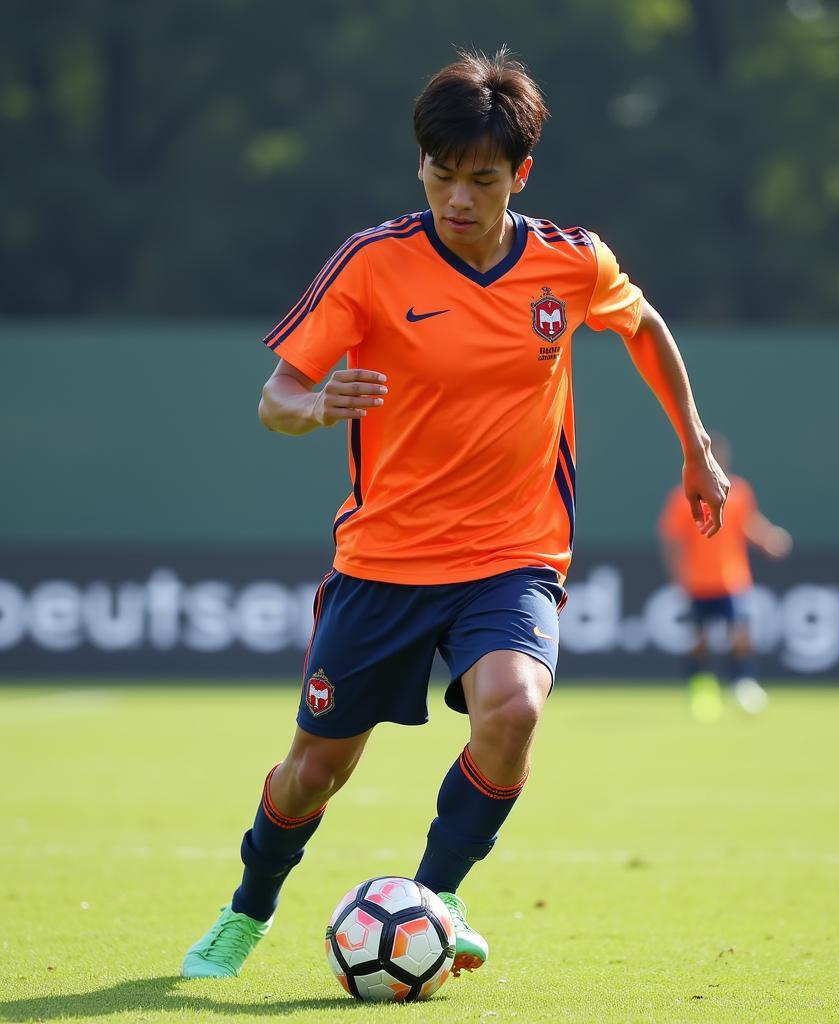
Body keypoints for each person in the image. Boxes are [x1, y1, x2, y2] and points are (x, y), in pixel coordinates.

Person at [182, 48, 729, 981]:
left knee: (513, 708)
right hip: (384, 561)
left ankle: (435, 898)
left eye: (482, 180)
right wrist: (319, 406)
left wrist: (694, 441)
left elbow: (642, 325)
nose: (458, 198)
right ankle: (248, 908)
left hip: (513, 553)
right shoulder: (372, 263)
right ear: (421, 168)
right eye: (442, 176)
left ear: (521, 175)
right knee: (315, 770)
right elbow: (276, 398)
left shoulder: (569, 261)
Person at [658, 436, 791, 719]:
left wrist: (768, 539)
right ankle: (702, 692)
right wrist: (678, 576)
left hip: (732, 579)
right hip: (698, 582)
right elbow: (671, 539)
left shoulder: (739, 492)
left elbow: (749, 525)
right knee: (700, 641)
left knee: (741, 637)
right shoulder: (683, 495)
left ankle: (744, 685)